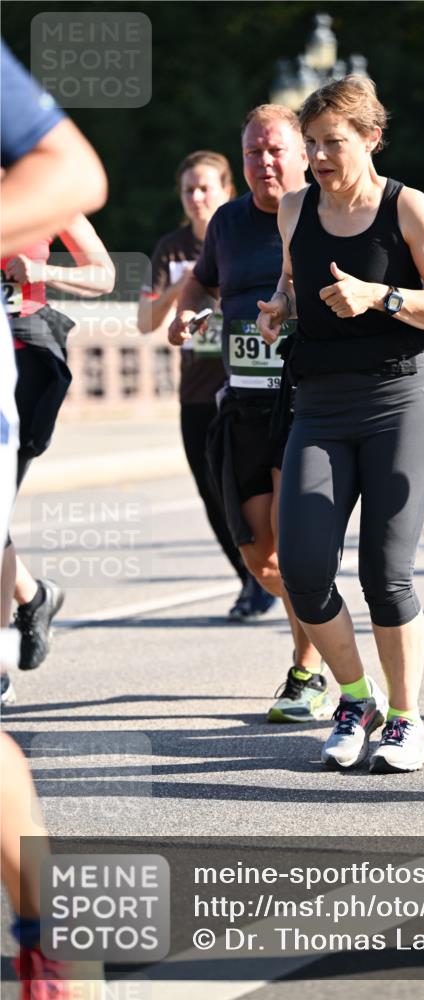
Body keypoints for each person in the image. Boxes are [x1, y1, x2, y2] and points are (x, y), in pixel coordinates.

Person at [257, 76, 424, 772]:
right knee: (302, 569)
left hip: (398, 402)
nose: (319, 157)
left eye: (333, 143)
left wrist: (381, 296)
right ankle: (357, 699)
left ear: (372, 138)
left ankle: (407, 719)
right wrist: (279, 307)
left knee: (386, 574)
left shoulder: (406, 206)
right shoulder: (295, 207)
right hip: (319, 406)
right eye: (311, 144)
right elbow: (292, 282)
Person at [1, 39, 107, 995]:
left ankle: (47, 931)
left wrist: (34, 272)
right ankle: (27, 600)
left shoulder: (33, 173)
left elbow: (82, 198)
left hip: (28, 342)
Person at [168, 106, 331, 723]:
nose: (264, 162)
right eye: (253, 153)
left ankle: (308, 671)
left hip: (306, 402)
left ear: (302, 154)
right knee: (261, 560)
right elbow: (202, 282)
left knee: (294, 546)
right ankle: (332, 621)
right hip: (242, 404)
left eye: (275, 150)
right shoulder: (228, 223)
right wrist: (189, 311)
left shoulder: (326, 214)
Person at [138, 150, 274, 622]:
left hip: (247, 387)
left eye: (205, 188)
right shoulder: (171, 248)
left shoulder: (243, 234)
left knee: (254, 490)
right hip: (197, 393)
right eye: (188, 190)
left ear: (226, 190)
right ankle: (251, 580)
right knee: (212, 492)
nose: (196, 197)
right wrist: (186, 288)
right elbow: (144, 321)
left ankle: (271, 577)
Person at [1, 213, 115, 679]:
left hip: (23, 367)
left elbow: (104, 275)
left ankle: (1, 668)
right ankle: (33, 596)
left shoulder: (47, 192)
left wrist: (41, 271)